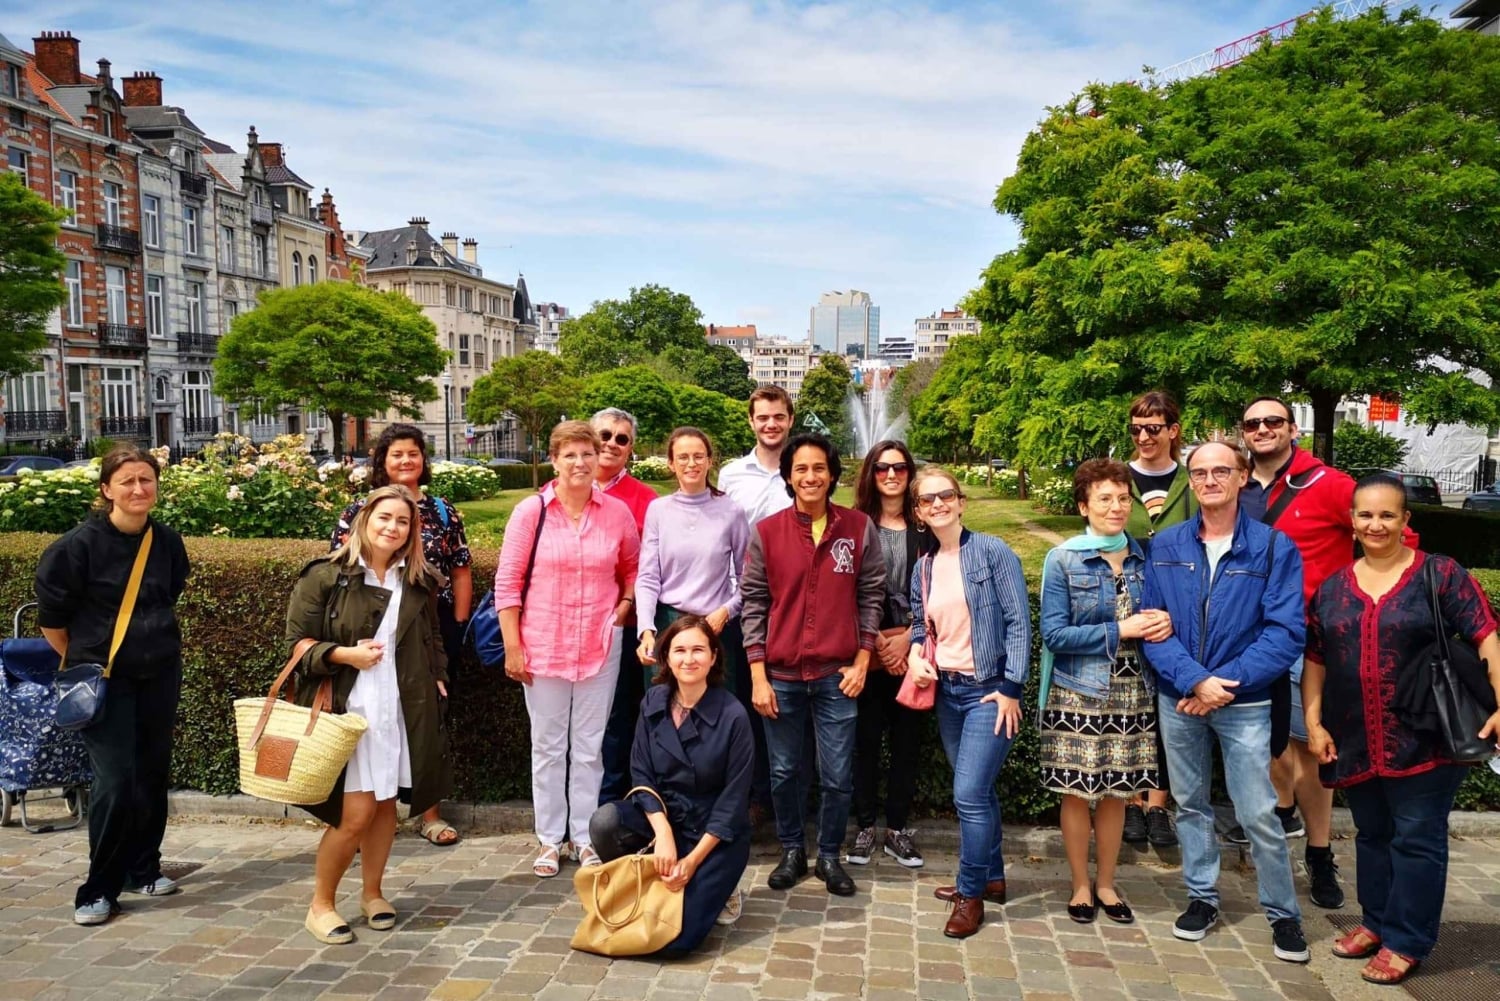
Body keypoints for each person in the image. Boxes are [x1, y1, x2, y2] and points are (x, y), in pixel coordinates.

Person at [1304, 473, 1500, 985]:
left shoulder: (1440, 575)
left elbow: (1486, 637)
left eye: (1387, 514)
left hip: (1426, 736)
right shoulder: (1333, 589)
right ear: (1351, 522)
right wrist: (1313, 720)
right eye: (1366, 515)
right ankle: (1376, 921)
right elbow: (1317, 660)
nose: (1376, 524)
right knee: (1372, 835)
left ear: (1405, 521)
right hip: (1354, 735)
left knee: (1417, 838)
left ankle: (1408, 940)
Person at [1142, 441, 1310, 963]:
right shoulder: (1167, 545)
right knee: (1189, 806)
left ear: (1241, 477)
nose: (1210, 479)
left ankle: (1283, 914)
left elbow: (1284, 634)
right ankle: (1202, 898)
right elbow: (1153, 628)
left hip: (1244, 703)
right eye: (1200, 472)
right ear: (1190, 481)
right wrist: (1194, 682)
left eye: (1221, 470)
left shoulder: (1273, 548)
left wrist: (1221, 685)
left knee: (1257, 810)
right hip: (1182, 700)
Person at [286, 485, 451, 945]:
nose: (392, 528)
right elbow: (295, 645)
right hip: (348, 708)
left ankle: (373, 893)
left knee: (384, 808)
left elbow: (432, 637)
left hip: (400, 708)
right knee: (354, 813)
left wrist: (439, 677)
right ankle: (320, 904)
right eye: (384, 518)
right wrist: (342, 654)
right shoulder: (326, 576)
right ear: (364, 520)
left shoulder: (417, 579)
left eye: (402, 521)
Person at [36, 445, 191, 927]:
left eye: (146, 480)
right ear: (106, 490)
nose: (138, 489)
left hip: (159, 672)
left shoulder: (166, 542)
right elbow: (53, 623)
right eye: (127, 481)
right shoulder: (75, 548)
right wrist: (84, 661)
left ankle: (143, 868)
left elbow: (170, 594)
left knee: (151, 773)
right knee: (115, 780)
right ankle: (97, 888)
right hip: (104, 680)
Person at [740, 432, 884, 898]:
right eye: (800, 469)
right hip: (779, 676)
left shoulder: (858, 528)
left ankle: (829, 856)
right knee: (784, 772)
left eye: (818, 468)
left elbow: (871, 596)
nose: (810, 477)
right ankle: (790, 851)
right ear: (788, 476)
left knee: (838, 774)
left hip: (836, 675)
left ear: (833, 474)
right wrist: (757, 674)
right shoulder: (767, 533)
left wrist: (862, 660)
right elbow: (754, 604)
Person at [496, 420, 640, 877]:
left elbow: (635, 569)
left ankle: (583, 837)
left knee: (590, 748)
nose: (580, 463)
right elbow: (508, 584)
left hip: (599, 644)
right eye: (570, 455)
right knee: (548, 746)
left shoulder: (616, 513)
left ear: (599, 459)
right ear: (554, 460)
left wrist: (623, 607)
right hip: (543, 645)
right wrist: (512, 646)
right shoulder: (531, 512)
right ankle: (549, 839)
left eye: (587, 454)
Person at [1038, 459, 1171, 925]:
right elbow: (1054, 635)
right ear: (1083, 506)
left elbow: (1160, 614)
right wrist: (1121, 628)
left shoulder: (1143, 555)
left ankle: (1108, 884)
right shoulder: (1064, 559)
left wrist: (1160, 622)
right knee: (1076, 793)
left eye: (1122, 498)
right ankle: (1079, 885)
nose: (1116, 507)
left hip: (1133, 692)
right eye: (1104, 499)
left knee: (1118, 792)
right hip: (1078, 691)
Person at [904, 466, 1031, 939]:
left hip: (989, 691)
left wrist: (1011, 687)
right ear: (918, 512)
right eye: (927, 500)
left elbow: (1019, 622)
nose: (937, 504)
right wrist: (917, 656)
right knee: (980, 793)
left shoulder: (993, 552)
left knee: (969, 796)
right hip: (949, 693)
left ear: (960, 502)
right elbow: (922, 627)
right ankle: (992, 875)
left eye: (945, 496)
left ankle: (970, 892)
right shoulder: (925, 566)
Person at [332, 423, 471, 847]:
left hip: (430, 627)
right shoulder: (361, 508)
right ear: (382, 462)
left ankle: (430, 814)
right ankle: (366, 816)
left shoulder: (443, 510)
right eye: (397, 455)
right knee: (368, 718)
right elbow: (339, 566)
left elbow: (461, 567)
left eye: (413, 454)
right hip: (371, 628)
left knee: (428, 720)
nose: (406, 461)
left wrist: (458, 625)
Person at [589, 615, 755, 954]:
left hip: (714, 835)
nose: (688, 658)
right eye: (679, 650)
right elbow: (641, 771)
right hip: (664, 821)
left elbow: (733, 801)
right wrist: (663, 834)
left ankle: (723, 885)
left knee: (673, 943)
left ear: (713, 657)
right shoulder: (653, 701)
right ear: (666, 657)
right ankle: (642, 882)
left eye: (698, 650)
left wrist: (691, 861)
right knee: (605, 822)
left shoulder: (734, 715)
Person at [847, 440, 928, 869]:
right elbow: (844, 589)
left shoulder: (926, 528)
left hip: (913, 650)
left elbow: (941, 591)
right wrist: (876, 638)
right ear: (871, 474)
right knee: (864, 741)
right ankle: (863, 825)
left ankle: (897, 828)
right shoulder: (856, 525)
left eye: (899, 467)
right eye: (882, 468)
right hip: (866, 648)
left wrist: (908, 638)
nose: (891, 475)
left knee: (906, 743)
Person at [1121, 390, 1195, 849]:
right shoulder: (1117, 477)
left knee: (1167, 705)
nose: (1144, 437)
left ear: (1172, 430)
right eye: (1136, 428)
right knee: (1131, 705)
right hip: (1125, 604)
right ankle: (1130, 802)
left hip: (1177, 606)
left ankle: (1158, 805)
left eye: (1153, 427)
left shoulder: (1190, 480)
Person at [635, 427, 751, 695]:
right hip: (668, 624)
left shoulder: (731, 511)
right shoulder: (658, 510)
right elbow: (648, 576)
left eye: (699, 456)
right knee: (664, 709)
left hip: (715, 625)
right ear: (671, 464)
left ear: (710, 461)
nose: (691, 464)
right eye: (683, 457)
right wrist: (646, 630)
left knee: (718, 713)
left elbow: (747, 577)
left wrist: (727, 610)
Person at [592, 407, 663, 805]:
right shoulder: (560, 490)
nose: (611, 444)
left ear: (631, 448)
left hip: (623, 624)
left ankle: (610, 802)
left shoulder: (645, 499)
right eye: (604, 434)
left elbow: (648, 567)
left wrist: (626, 603)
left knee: (619, 716)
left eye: (622, 438)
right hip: (572, 626)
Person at [718, 385, 795, 527]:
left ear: (790, 420)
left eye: (779, 417)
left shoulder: (807, 475)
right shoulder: (730, 475)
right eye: (763, 418)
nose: (771, 424)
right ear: (751, 421)